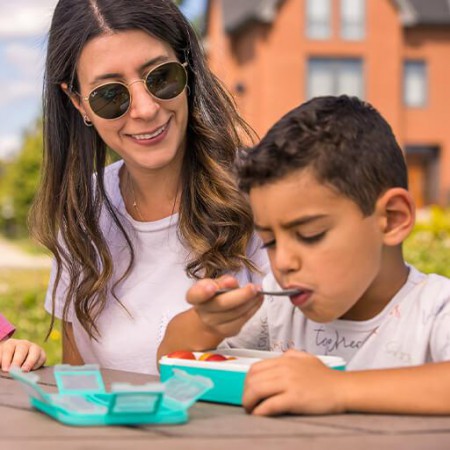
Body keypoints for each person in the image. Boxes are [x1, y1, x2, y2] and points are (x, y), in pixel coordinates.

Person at [159, 95, 450, 416]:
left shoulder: (435, 310)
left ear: (392, 219)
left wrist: (336, 389)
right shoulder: (279, 308)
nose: (283, 262)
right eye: (269, 241)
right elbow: (170, 359)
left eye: (310, 235)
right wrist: (207, 323)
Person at [30, 0, 268, 376]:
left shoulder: (266, 191)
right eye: (110, 95)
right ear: (78, 103)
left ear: (188, 67)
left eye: (161, 77)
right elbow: (76, 382)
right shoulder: (82, 211)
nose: (145, 109)